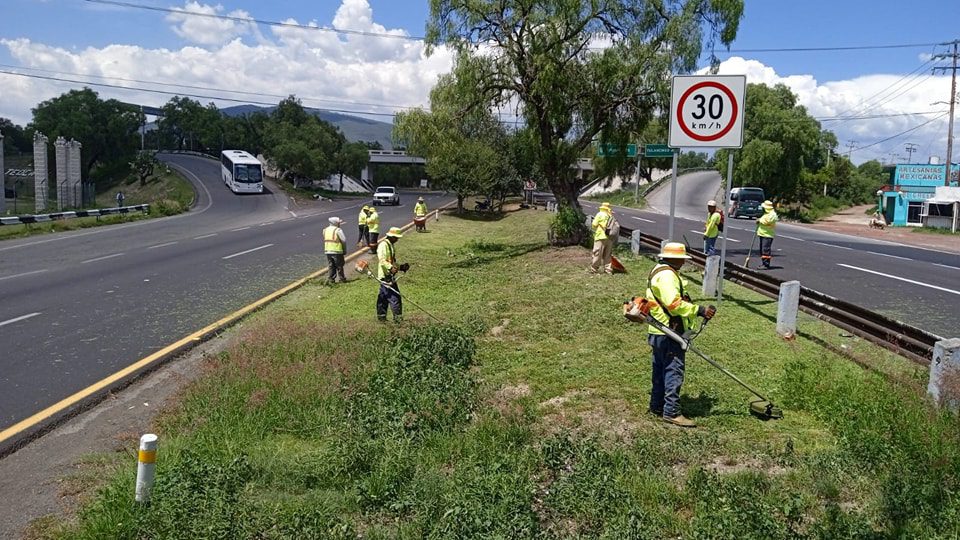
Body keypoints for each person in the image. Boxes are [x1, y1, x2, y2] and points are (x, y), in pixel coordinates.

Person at [646, 242, 716, 427]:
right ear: (673, 258)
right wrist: (699, 310)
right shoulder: (668, 276)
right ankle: (671, 412)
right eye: (681, 259)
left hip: (658, 329)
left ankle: (657, 405)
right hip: (669, 332)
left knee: (660, 370)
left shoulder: (658, 270)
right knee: (673, 371)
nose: (683, 263)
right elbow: (673, 303)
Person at [376, 227, 408, 323]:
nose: (397, 240)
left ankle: (381, 317)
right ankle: (398, 320)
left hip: (388, 275)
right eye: (396, 238)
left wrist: (400, 267)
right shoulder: (383, 245)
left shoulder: (390, 245)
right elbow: (382, 260)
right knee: (395, 297)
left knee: (383, 297)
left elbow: (391, 261)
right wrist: (390, 268)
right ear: (392, 237)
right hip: (386, 276)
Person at [589, 202, 614, 274]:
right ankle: (608, 270)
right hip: (609, 237)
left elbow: (594, 224)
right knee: (608, 254)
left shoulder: (599, 214)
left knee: (597, 253)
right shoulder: (611, 215)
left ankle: (594, 269)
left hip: (600, 236)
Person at [323, 217, 347, 284]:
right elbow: (344, 241)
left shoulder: (325, 230)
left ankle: (331, 279)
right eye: (339, 222)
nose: (340, 223)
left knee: (331, 266)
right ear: (335, 223)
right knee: (339, 266)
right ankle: (342, 279)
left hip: (328, 251)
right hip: (337, 251)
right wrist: (344, 250)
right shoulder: (338, 230)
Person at [757, 200, 779, 269]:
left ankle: (766, 264)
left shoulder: (772, 214)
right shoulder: (766, 213)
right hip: (762, 234)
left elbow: (768, 221)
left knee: (765, 250)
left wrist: (759, 220)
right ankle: (763, 263)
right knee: (762, 250)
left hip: (767, 235)